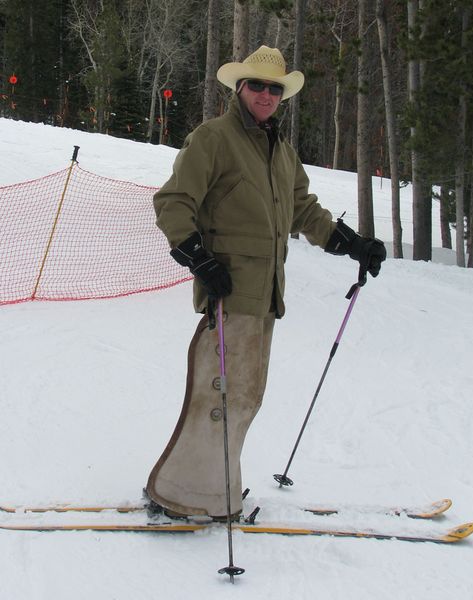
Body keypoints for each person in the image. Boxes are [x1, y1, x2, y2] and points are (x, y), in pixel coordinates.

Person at [146, 45, 386, 519]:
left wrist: (353, 243)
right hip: (229, 290)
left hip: (265, 295)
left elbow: (305, 212)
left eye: (274, 88)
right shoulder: (214, 138)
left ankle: (215, 484)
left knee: (246, 394)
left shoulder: (282, 153)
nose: (265, 94)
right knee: (220, 394)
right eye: (256, 85)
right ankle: (184, 494)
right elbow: (173, 202)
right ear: (240, 89)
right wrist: (199, 259)